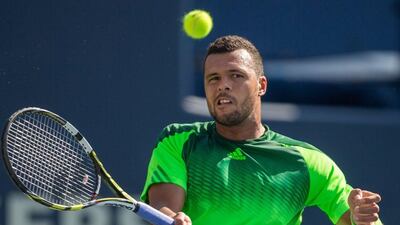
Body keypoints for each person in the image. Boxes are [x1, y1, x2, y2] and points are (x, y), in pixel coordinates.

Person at [140, 35, 382, 225]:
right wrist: (171, 218)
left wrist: (360, 220)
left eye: (236, 75)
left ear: (261, 85)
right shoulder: (178, 141)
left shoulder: (307, 162)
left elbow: (351, 216)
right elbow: (164, 209)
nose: (223, 85)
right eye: (213, 78)